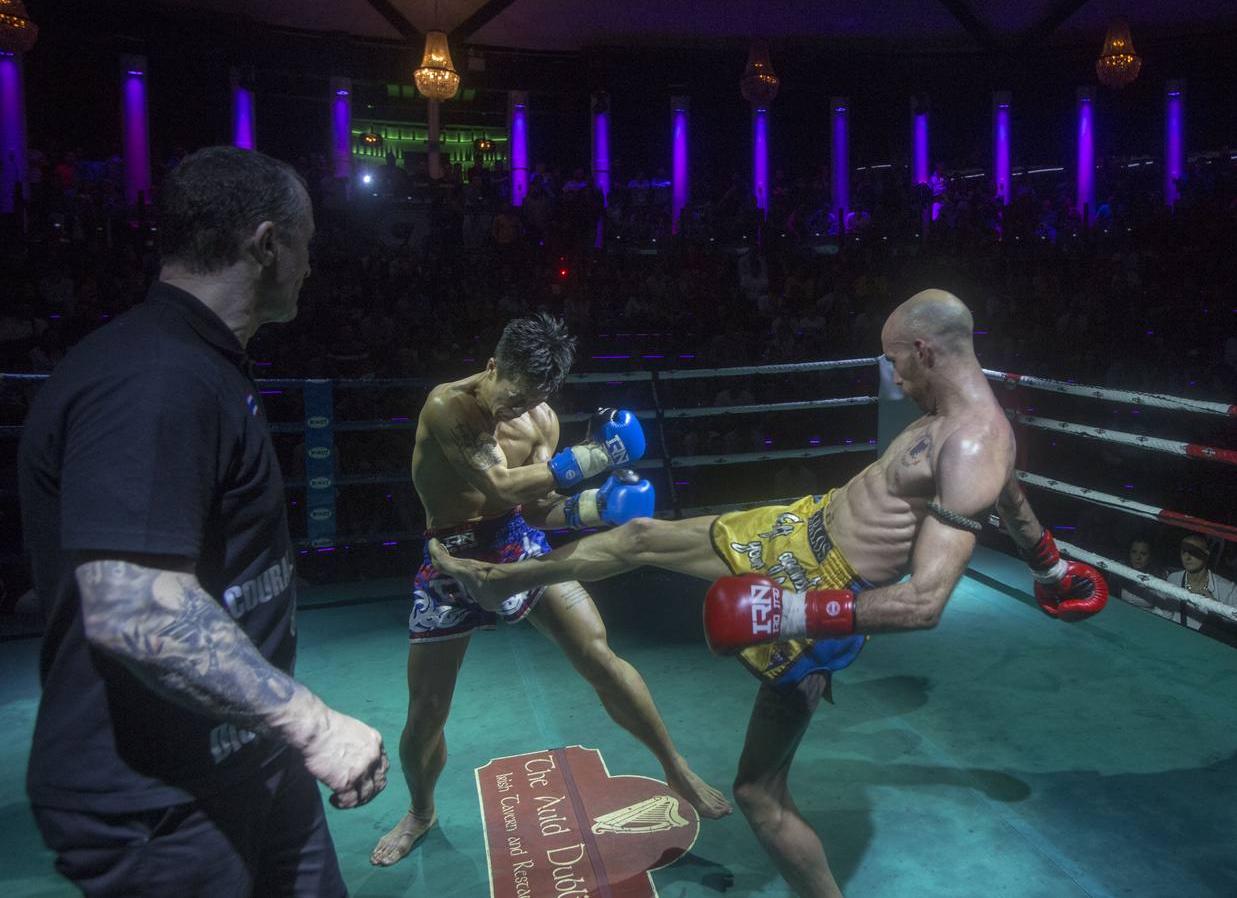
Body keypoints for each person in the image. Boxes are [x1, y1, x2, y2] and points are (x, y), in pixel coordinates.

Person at [429, 290, 1108, 898]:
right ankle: (500, 577)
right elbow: (1009, 493)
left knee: (758, 792)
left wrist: (783, 610)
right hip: (797, 526)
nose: (890, 375)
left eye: (893, 360)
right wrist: (1048, 565)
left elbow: (924, 602)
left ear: (924, 350)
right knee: (637, 533)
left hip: (823, 592)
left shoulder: (971, 445)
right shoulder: (962, 425)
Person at [18, 146, 388, 898]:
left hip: (244, 761)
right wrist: (313, 726)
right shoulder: (153, 375)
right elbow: (130, 607)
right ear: (266, 244)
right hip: (159, 805)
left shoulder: (202, 363)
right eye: (306, 243)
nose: (311, 265)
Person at [369, 313, 730, 867]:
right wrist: (600, 456)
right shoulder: (449, 406)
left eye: (530, 399)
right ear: (492, 367)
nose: (515, 409)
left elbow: (536, 507)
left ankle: (675, 765)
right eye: (511, 397)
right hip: (452, 559)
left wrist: (596, 507)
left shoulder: (542, 421)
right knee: (426, 713)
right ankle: (421, 811)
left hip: (518, 542)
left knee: (599, 656)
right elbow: (499, 483)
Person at [1163, 533, 1237, 630]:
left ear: (1206, 554)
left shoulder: (1228, 589)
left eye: (1193, 552)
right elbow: (1166, 615)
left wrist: (1217, 607)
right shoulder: (1173, 578)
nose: (1187, 557)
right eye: (1184, 552)